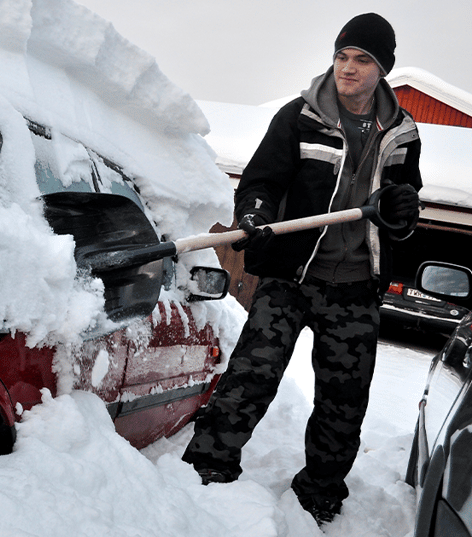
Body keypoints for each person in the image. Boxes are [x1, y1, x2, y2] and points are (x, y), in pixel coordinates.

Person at [181, 12, 422, 526]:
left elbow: (403, 211)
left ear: (383, 70)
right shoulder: (299, 116)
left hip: (356, 286)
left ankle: (319, 495)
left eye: (362, 59)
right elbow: (260, 182)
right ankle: (207, 468)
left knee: (344, 402)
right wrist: (255, 214)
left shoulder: (402, 134)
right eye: (342, 56)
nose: (348, 68)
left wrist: (403, 215)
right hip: (292, 276)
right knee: (252, 374)